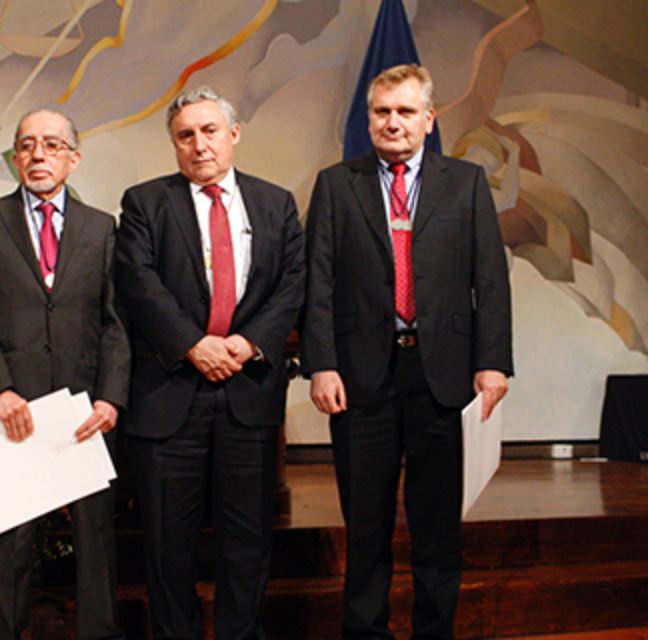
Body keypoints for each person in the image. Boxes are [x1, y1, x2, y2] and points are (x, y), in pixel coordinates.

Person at [301, 64, 513, 639]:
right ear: (368, 119)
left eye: (403, 111)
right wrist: (321, 364)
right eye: (381, 112)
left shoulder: (465, 183)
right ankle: (366, 633)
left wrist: (493, 362)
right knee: (365, 525)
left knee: (437, 526)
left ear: (428, 118)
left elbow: (490, 278)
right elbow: (316, 282)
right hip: (361, 378)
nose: (391, 122)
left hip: (441, 376)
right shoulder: (335, 183)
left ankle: (433, 632)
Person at [115, 86, 306, 639]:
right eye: (185, 136)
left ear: (234, 134)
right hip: (170, 397)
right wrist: (192, 343)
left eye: (209, 131)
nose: (199, 145)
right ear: (174, 145)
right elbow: (139, 283)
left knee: (248, 544)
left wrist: (247, 344)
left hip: (248, 397)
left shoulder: (276, 203)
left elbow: (292, 284)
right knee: (167, 547)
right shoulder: (145, 202)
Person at [0, 108, 130, 640]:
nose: (39, 155)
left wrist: (111, 399)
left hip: (84, 412)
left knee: (96, 543)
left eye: (53, 145)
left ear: (73, 159)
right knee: (10, 547)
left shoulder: (102, 228)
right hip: (14, 408)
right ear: (14, 158)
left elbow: (116, 322)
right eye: (27, 145)